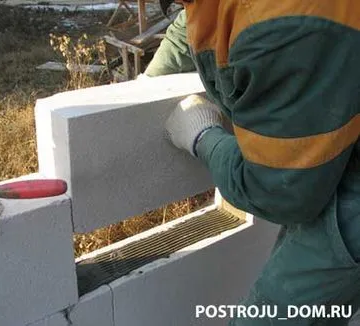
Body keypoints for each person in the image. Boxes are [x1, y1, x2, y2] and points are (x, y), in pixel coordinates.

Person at [142, 2, 360, 325]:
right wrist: (147, 83)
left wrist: (203, 138)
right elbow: (197, 18)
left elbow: (280, 190)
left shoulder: (277, 20)